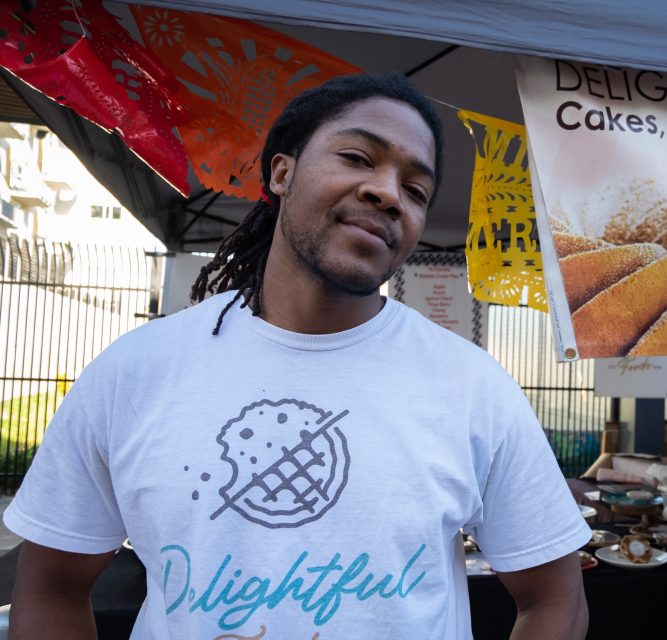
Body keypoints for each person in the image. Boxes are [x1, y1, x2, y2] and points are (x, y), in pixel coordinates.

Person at [4, 73, 590, 639]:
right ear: (281, 172)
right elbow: (51, 588)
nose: (388, 193)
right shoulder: (134, 372)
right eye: (359, 158)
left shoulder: (472, 388)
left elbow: (554, 600)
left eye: (416, 191)